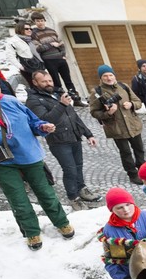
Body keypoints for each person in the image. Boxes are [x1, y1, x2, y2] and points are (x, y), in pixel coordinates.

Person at [0, 68, 74, 251]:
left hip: (29, 155)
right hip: (2, 161)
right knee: (18, 200)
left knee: (46, 193)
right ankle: (31, 232)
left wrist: (43, 126)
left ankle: (61, 222)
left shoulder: (10, 101)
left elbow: (33, 122)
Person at [25, 70, 100, 209]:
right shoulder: (33, 100)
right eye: (44, 81)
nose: (48, 84)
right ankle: (73, 197)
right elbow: (45, 120)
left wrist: (88, 134)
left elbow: (74, 116)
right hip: (58, 141)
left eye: (50, 81)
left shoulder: (58, 93)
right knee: (70, 169)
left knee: (78, 166)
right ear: (35, 83)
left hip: (74, 136)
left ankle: (81, 188)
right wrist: (62, 105)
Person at [90, 64, 145, 184]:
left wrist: (131, 104)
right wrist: (108, 113)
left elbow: (138, 101)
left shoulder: (123, 86)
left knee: (139, 149)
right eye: (105, 76)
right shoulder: (97, 92)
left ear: (114, 76)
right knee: (126, 153)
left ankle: (142, 169)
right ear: (101, 78)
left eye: (110, 75)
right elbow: (94, 112)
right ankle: (132, 174)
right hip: (116, 128)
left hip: (133, 125)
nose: (109, 78)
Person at [30, 12, 85, 106]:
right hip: (49, 60)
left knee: (68, 80)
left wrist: (62, 54)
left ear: (44, 21)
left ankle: (76, 100)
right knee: (56, 82)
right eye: (37, 21)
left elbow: (61, 43)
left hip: (60, 58)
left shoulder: (52, 31)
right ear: (34, 22)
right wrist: (50, 44)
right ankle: (63, 101)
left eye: (41, 20)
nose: (40, 22)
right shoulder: (34, 34)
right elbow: (38, 48)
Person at [8, 20, 44, 91]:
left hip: (38, 65)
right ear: (20, 29)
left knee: (43, 85)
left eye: (30, 29)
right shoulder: (13, 41)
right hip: (27, 68)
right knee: (34, 87)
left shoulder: (31, 39)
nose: (29, 30)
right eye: (27, 29)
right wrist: (21, 67)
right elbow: (10, 56)